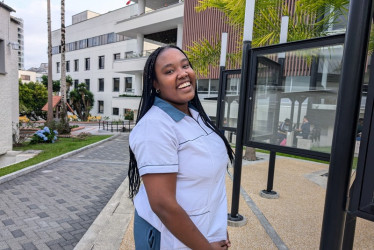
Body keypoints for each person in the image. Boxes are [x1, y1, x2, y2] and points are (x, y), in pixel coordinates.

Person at [128, 45, 234, 250]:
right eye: (169, 71)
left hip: (204, 232)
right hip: (169, 238)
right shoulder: (155, 127)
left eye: (185, 66)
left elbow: (211, 184)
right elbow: (163, 205)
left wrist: (219, 228)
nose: (183, 74)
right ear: (155, 84)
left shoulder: (195, 116)